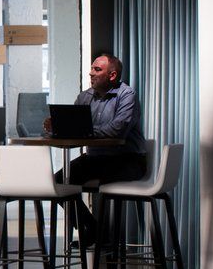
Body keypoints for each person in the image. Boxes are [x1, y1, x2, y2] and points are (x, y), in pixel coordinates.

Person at [44, 52, 146, 241]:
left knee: (75, 180)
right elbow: (74, 130)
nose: (91, 73)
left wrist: (84, 131)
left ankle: (100, 236)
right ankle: (94, 230)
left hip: (128, 160)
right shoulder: (85, 97)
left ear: (112, 75)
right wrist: (57, 127)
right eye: (91, 68)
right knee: (57, 183)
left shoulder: (126, 95)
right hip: (96, 160)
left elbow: (117, 130)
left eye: (97, 69)